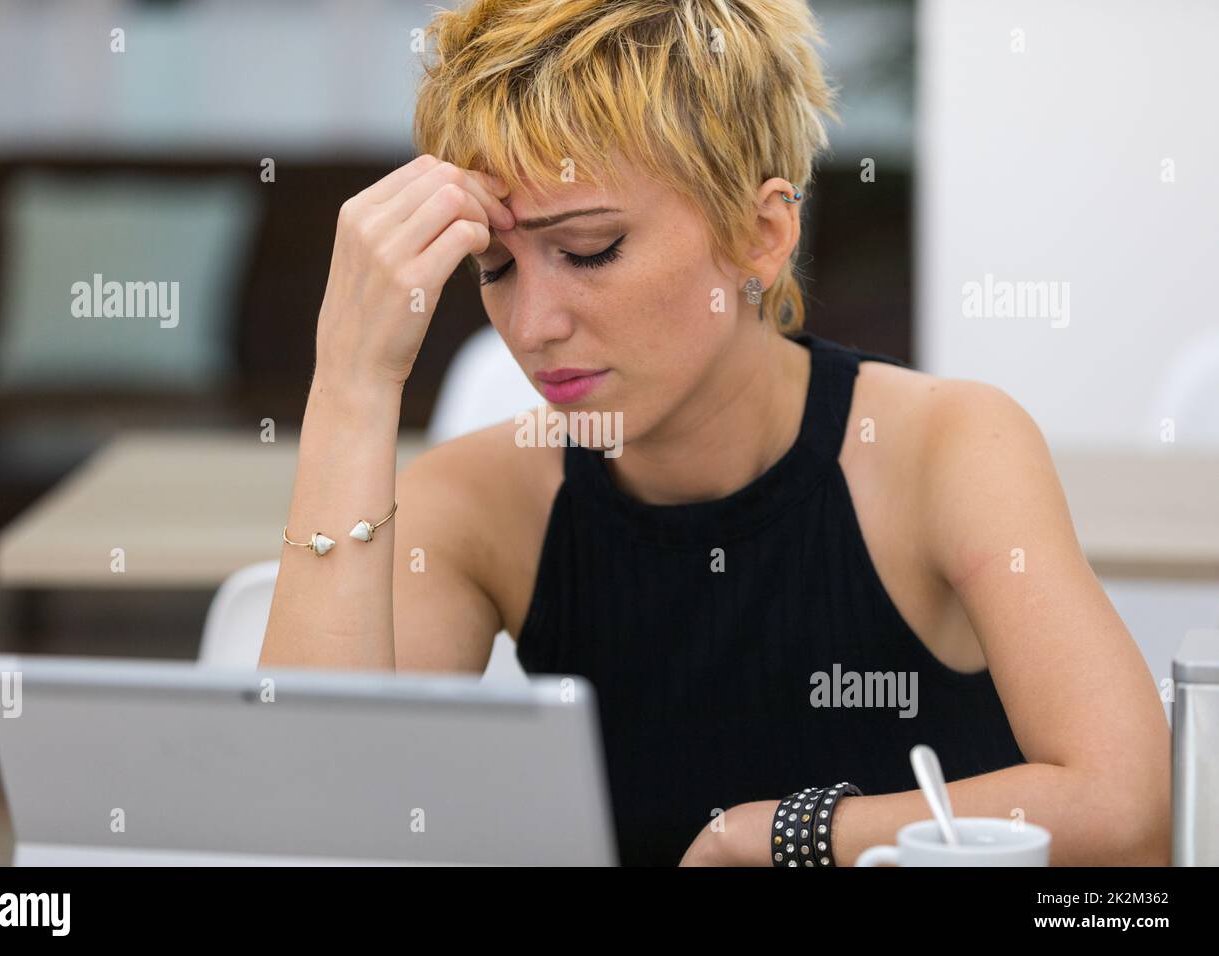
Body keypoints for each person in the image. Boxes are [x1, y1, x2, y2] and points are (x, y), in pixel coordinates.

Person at [260, 0, 1169, 866]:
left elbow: (1131, 812)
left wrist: (784, 836)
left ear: (761, 234)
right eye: (493, 266)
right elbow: (308, 833)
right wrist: (350, 382)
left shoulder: (948, 448)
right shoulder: (477, 502)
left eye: (588, 251)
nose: (532, 324)